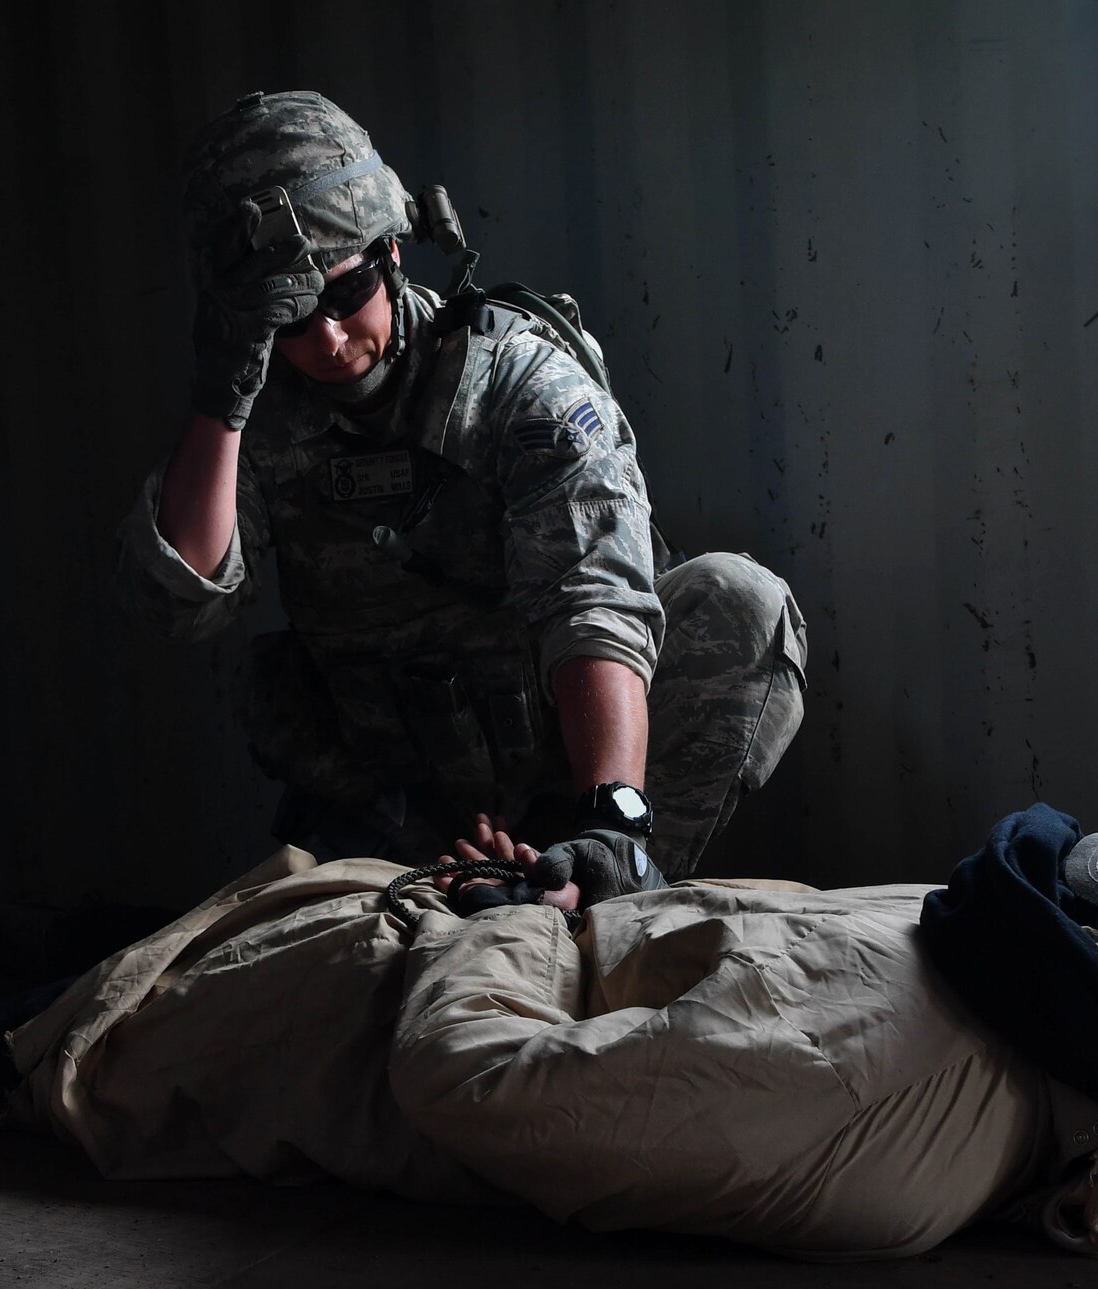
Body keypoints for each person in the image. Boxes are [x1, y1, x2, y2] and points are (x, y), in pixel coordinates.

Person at [0, 805, 1098, 1260]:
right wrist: (572, 902)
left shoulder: (848, 1126)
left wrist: (510, 930)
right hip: (369, 934)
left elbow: (468, 1076)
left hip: (276, 1024)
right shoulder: (1048, 999)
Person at [119, 89, 807, 895]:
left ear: (393, 256)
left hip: (565, 761)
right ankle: (467, 885)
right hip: (403, 790)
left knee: (740, 606)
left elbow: (594, 601)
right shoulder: (254, 423)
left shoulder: (516, 379)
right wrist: (223, 393)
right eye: (292, 319)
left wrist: (610, 818)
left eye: (345, 295)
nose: (329, 340)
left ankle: (610, 874)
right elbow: (179, 604)